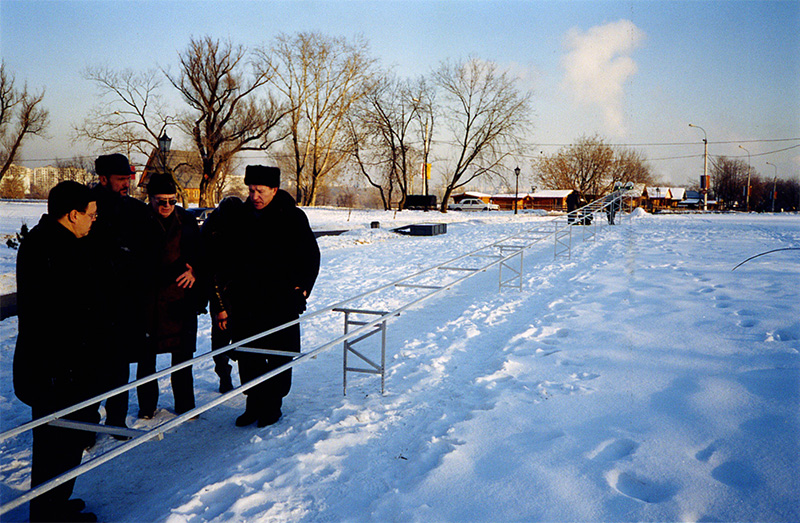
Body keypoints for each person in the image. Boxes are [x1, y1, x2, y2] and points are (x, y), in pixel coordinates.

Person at [202, 165, 320, 427]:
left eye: (260, 191)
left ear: (274, 190)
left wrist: (302, 287)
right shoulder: (240, 218)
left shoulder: (292, 217)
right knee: (248, 354)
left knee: (278, 354)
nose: (254, 195)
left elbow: (311, 256)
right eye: (251, 190)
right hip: (246, 302)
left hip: (281, 301)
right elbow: (221, 255)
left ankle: (272, 404)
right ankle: (253, 402)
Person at [13, 181, 103, 522]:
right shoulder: (56, 249)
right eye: (91, 215)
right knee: (57, 444)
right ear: (73, 214)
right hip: (57, 370)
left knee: (65, 442)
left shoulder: (52, 240)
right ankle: (48, 514)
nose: (94, 220)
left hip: (60, 367)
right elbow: (64, 315)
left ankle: (56, 504)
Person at [88, 153, 155, 432]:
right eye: (120, 179)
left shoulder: (137, 212)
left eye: (128, 178)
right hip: (93, 304)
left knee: (119, 367)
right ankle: (88, 426)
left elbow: (152, 251)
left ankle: (116, 421)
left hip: (127, 304)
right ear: (103, 179)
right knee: (90, 370)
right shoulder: (86, 209)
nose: (127, 183)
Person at [136, 173, 204, 418]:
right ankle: (147, 407)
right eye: (160, 201)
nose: (166, 206)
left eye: (171, 201)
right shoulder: (139, 221)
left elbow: (202, 254)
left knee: (183, 357)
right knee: (146, 360)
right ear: (150, 199)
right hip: (149, 301)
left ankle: (186, 405)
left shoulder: (187, 220)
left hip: (180, 300)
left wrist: (196, 271)